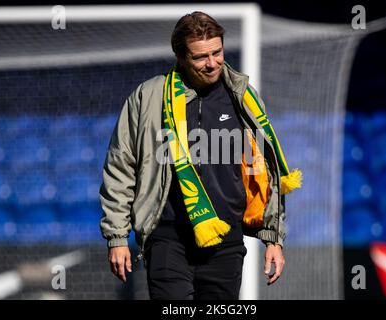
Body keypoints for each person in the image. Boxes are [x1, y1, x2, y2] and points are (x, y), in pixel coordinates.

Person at [99, 11, 302, 300]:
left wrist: (273, 238)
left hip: (227, 243)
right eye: (200, 57)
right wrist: (117, 237)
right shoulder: (148, 97)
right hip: (168, 239)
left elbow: (264, 170)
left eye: (217, 52)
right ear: (181, 57)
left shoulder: (244, 97)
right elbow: (120, 167)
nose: (212, 63)